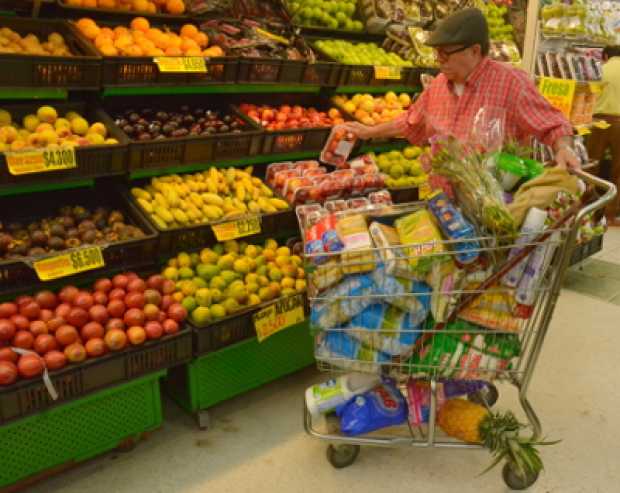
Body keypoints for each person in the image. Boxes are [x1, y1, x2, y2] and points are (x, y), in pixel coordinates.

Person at [340, 8, 580, 170]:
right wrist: (368, 132)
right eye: (436, 54)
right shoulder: (438, 85)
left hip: (492, 204)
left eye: (445, 54)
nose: (438, 61)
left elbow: (554, 124)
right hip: (442, 200)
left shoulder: (512, 83)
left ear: (474, 51)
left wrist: (564, 149)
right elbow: (410, 121)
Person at [586, 45, 620, 225]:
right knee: (618, 171)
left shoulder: (601, 69)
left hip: (599, 121)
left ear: (605, 56)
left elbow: (590, 94)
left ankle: (588, 211)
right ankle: (611, 215)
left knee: (592, 167)